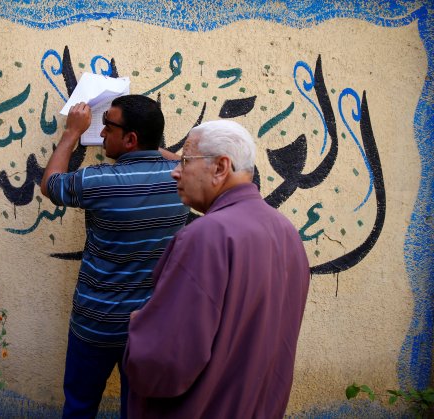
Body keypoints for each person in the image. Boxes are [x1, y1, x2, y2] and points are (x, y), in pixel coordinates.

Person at [123, 120, 311, 418]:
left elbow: (164, 362)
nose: (175, 172)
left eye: (184, 160)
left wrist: (141, 323)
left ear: (221, 167)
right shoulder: (286, 231)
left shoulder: (206, 235)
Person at [40, 95, 190, 419]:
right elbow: (179, 160)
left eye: (108, 126)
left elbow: (50, 185)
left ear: (131, 139)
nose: (102, 132)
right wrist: (150, 149)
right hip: (149, 328)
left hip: (95, 323)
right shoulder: (183, 181)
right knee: (137, 411)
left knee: (79, 407)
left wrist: (71, 134)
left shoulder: (98, 181)